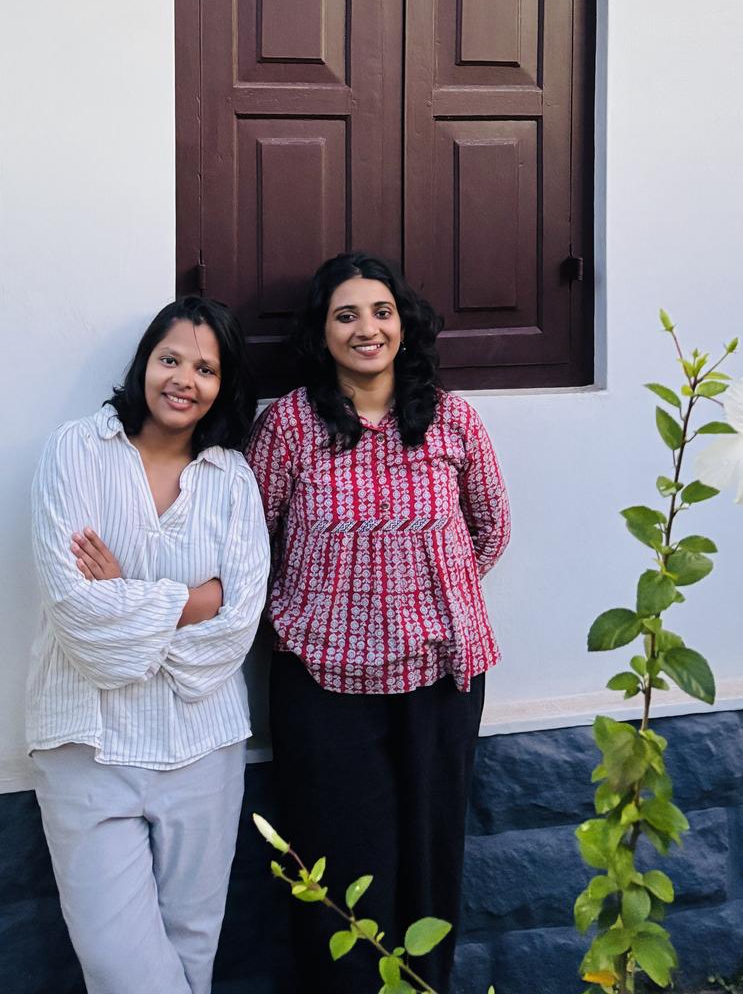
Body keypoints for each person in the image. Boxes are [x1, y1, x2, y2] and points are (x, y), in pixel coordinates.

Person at [247, 252, 510, 994]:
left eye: (381, 311)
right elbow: (249, 540)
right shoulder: (290, 427)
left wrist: (419, 598)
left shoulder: (453, 418)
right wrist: (334, 610)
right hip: (322, 684)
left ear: (404, 323)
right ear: (321, 332)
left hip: (440, 679)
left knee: (430, 862)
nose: (368, 328)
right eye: (346, 314)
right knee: (337, 867)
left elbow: (488, 530)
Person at [27, 297, 270, 994]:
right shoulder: (77, 451)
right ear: (144, 364)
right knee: (119, 966)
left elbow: (238, 626)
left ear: (223, 386)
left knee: (194, 954)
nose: (183, 379)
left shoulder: (233, 482)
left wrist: (127, 595)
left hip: (205, 743)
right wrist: (193, 601)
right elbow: (78, 616)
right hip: (87, 742)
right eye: (171, 359)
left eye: (205, 367)